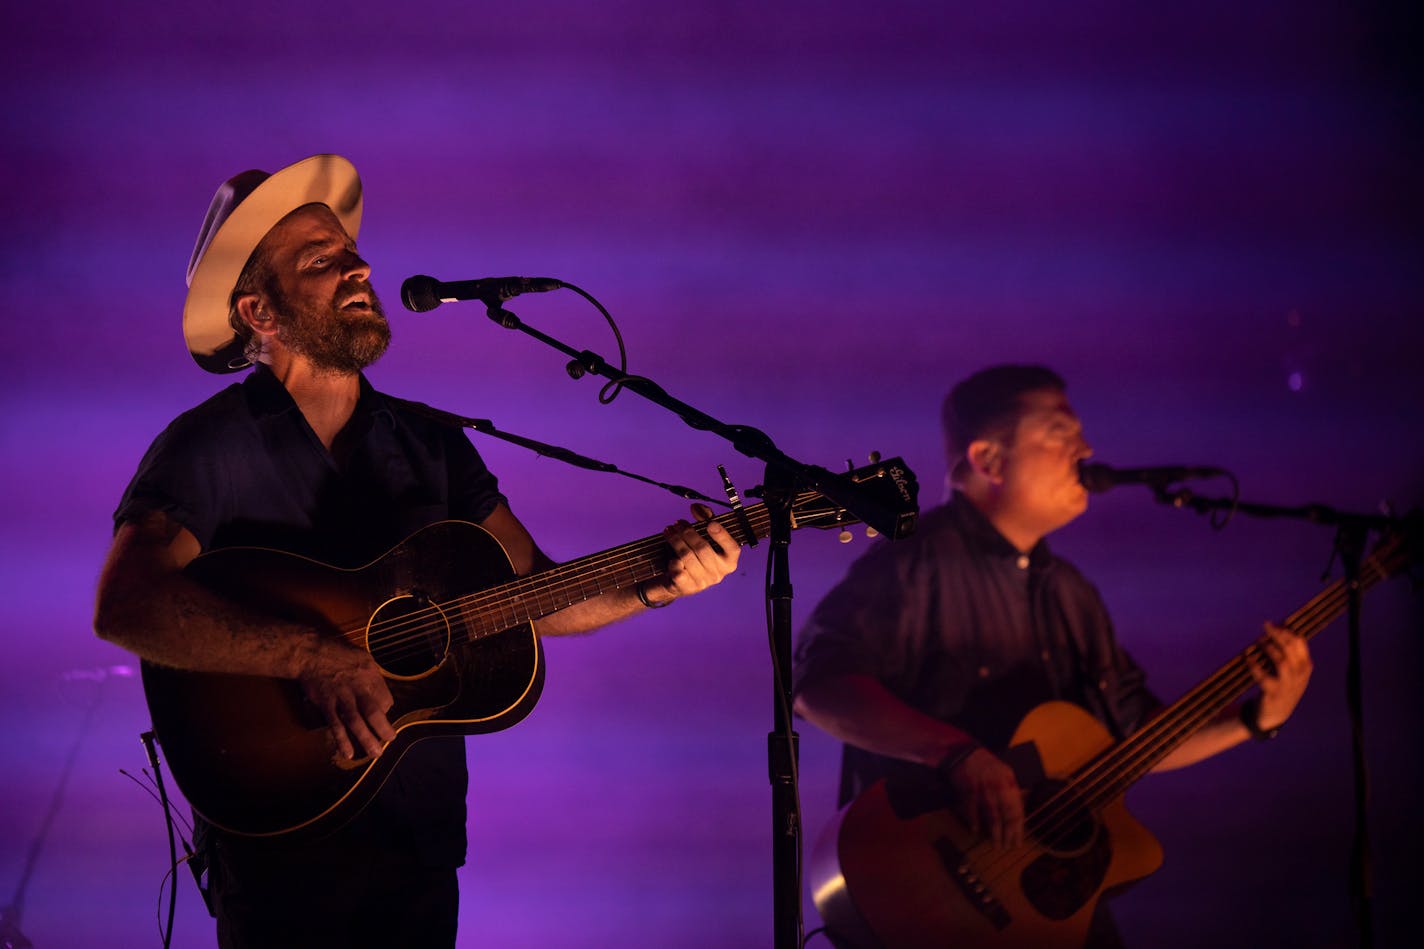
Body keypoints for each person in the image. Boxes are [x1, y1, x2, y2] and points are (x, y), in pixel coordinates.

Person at [92, 154, 740, 949]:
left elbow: (533, 591)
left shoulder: (433, 445)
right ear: (259, 310)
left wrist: (659, 581)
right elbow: (129, 602)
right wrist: (313, 655)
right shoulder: (208, 446)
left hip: (418, 850)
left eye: (352, 251)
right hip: (277, 851)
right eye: (321, 261)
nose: (359, 266)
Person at [792, 364, 1312, 947]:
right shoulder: (914, 564)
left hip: (1045, 904)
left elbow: (1136, 736)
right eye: (1060, 433)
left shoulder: (1072, 593)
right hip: (925, 902)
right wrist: (958, 754)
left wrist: (1255, 720)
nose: (1086, 449)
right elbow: (818, 688)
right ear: (989, 461)